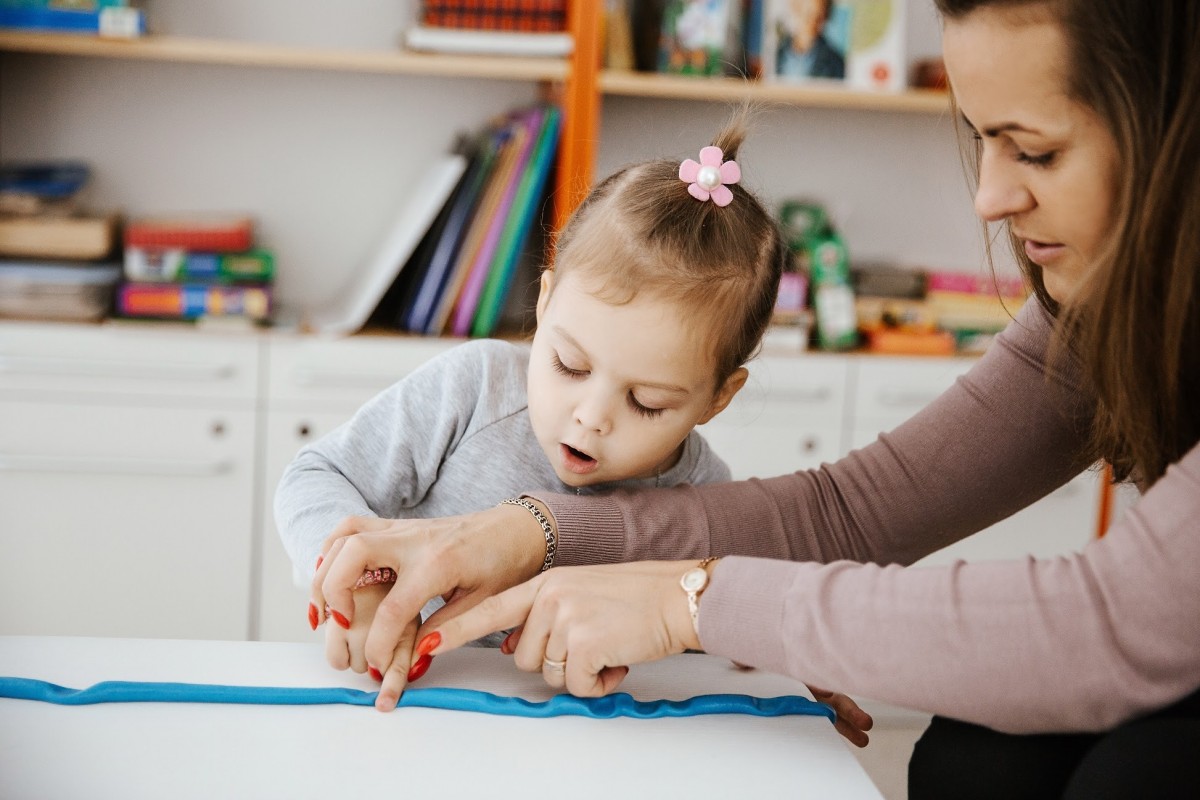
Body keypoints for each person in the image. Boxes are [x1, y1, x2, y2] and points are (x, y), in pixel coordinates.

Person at [313, 0, 1200, 796]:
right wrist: (541, 528)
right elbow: (856, 512)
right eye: (983, 140)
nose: (990, 196)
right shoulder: (1105, 307)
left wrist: (693, 604)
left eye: (1035, 148)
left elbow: (1117, 626)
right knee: (982, 754)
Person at [280, 117, 786, 683]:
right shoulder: (474, 387)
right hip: (419, 702)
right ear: (545, 306)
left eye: (647, 402)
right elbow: (315, 472)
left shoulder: (708, 497)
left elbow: (737, 621)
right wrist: (359, 583)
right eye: (569, 365)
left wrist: (782, 652)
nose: (590, 417)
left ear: (719, 398)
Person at [774, 0, 846, 80]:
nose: (811, 21)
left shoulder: (836, 62)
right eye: (807, 12)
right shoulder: (775, 54)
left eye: (817, 15)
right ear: (795, 7)